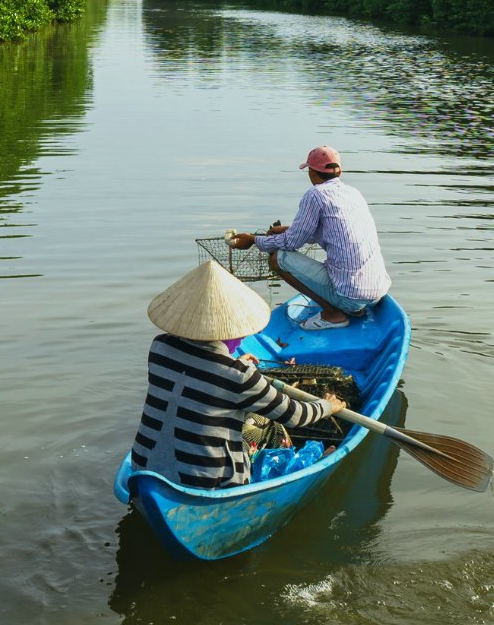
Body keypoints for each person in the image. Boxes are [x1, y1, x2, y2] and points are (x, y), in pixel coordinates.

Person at [129, 260, 345, 488]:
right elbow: (294, 415)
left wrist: (234, 363)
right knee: (265, 423)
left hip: (144, 468)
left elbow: (198, 371)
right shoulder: (238, 376)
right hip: (207, 481)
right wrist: (328, 406)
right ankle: (298, 466)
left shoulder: (160, 348)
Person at [228, 144, 390, 331]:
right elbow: (329, 230)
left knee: (277, 258)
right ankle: (352, 307)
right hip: (377, 291)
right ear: (340, 171)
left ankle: (333, 313)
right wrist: (288, 229)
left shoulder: (315, 195)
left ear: (312, 173)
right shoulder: (353, 193)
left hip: (351, 296)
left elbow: (292, 242)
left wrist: (254, 240)